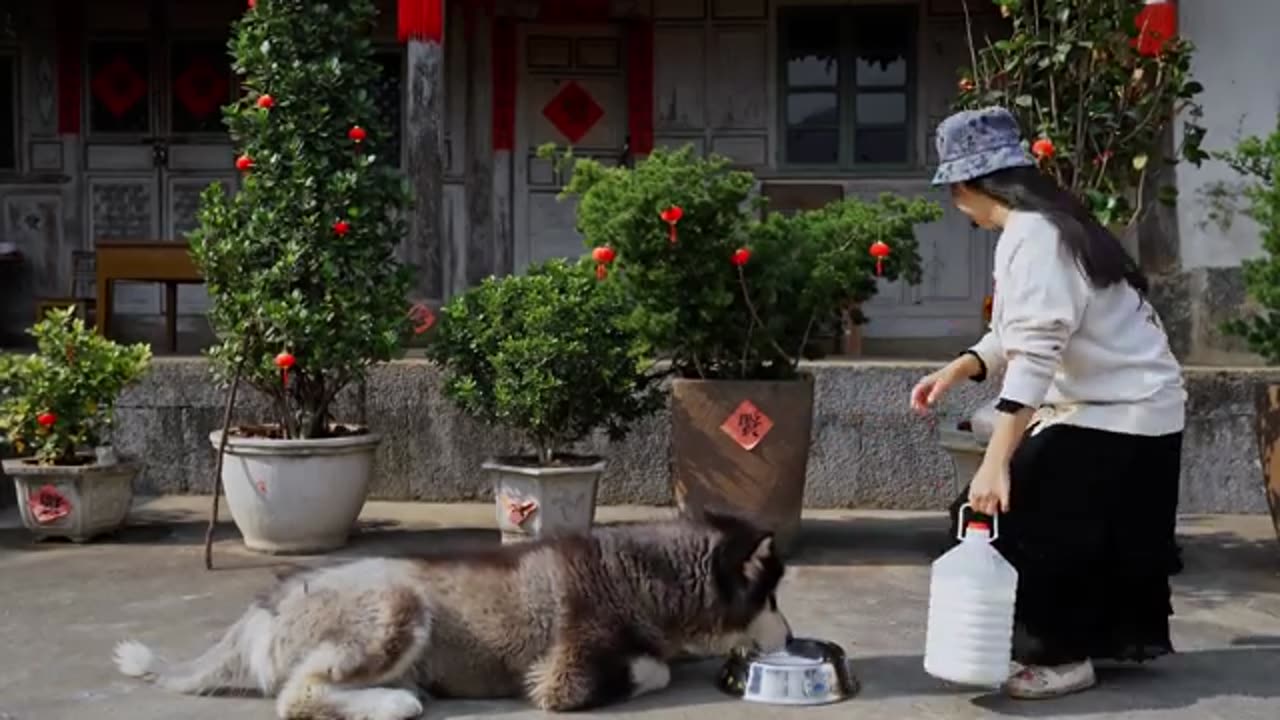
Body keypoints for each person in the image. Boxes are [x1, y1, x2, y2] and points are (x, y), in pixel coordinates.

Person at [911, 106, 1186, 700]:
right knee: (1028, 511)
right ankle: (1083, 639)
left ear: (968, 186)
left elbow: (1037, 356)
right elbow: (1020, 331)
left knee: (1011, 510)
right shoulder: (1045, 224)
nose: (957, 206)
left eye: (955, 191)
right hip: (1116, 404)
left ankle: (1060, 656)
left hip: (1123, 410)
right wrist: (961, 366)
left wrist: (995, 462)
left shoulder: (1037, 236)